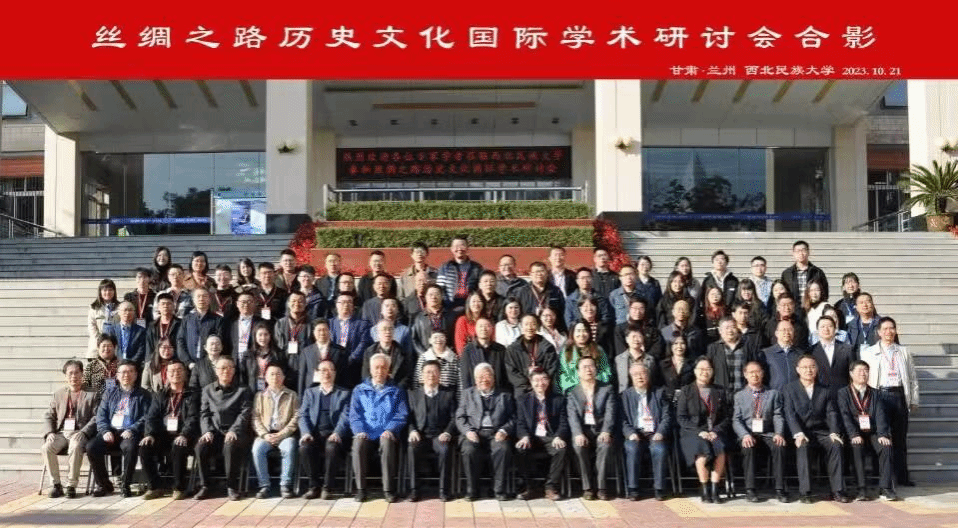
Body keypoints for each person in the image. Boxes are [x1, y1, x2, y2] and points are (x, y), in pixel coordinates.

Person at [784, 354, 850, 503]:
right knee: (803, 446)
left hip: (821, 431)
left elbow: (831, 412)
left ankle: (838, 490)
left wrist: (834, 431)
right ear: (798, 369)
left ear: (817, 369)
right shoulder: (789, 389)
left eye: (812, 367)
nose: (809, 370)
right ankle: (805, 492)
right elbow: (789, 414)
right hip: (802, 432)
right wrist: (798, 433)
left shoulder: (825, 390)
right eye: (805, 367)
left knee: (836, 444)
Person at [861, 316, 918, 487]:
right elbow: (864, 377)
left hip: (899, 395)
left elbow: (912, 377)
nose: (889, 332)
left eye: (891, 328)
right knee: (880, 436)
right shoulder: (869, 352)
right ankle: (880, 476)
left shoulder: (903, 351)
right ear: (878, 332)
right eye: (885, 329)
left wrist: (914, 399)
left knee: (900, 439)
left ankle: (902, 477)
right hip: (879, 395)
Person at [87, 360, 152, 497]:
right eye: (123, 372)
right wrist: (105, 431)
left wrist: (132, 429)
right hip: (111, 431)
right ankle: (103, 484)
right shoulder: (109, 393)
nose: (126, 375)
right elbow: (101, 415)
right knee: (92, 447)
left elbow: (146, 417)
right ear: (117, 375)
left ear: (136, 375)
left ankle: (125, 484)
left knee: (130, 447)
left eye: (130, 372)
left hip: (130, 432)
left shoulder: (144, 394)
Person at [349, 353, 408, 502]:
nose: (380, 371)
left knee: (387, 442)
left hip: (386, 433)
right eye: (376, 368)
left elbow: (401, 414)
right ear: (370, 369)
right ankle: (361, 489)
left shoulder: (396, 390)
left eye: (383, 368)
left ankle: (388, 490)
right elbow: (355, 415)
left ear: (389, 370)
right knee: (358, 443)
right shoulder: (359, 390)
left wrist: (390, 429)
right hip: (366, 433)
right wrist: (359, 430)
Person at [837, 360, 898, 501]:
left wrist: (883, 434)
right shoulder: (843, 393)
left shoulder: (875, 393)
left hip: (873, 432)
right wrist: (853, 434)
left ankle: (885, 488)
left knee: (886, 446)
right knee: (857, 446)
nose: (863, 374)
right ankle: (861, 489)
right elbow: (845, 416)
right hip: (854, 433)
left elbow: (881, 414)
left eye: (865, 370)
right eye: (859, 370)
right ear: (851, 374)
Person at [139, 360, 198, 500]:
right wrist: (150, 434)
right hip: (163, 434)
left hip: (185, 434)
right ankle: (155, 486)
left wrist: (184, 434)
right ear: (166, 374)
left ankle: (179, 487)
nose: (175, 373)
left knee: (179, 446)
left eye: (179, 370)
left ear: (185, 373)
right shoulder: (160, 395)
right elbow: (151, 417)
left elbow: (193, 418)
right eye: (172, 371)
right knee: (145, 447)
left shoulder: (193, 394)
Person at [195, 356, 253, 501]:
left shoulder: (243, 390)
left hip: (236, 433)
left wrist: (234, 430)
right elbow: (204, 413)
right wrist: (207, 431)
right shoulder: (207, 390)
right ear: (216, 371)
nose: (226, 371)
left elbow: (245, 413)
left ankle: (231, 487)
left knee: (230, 445)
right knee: (201, 446)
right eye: (222, 368)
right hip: (215, 432)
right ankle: (205, 486)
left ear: (234, 370)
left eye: (229, 368)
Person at [456, 362, 515, 501]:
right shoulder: (467, 394)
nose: (484, 379)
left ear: (493, 378)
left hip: (496, 433)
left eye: (487, 376)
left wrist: (504, 430)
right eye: (480, 377)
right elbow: (459, 417)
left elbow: (513, 417)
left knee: (503, 449)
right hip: (474, 433)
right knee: (468, 450)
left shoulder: (505, 394)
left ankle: (498, 490)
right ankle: (472, 490)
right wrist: (468, 431)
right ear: (475, 379)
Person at [42, 360, 99, 498]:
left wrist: (84, 432)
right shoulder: (59, 394)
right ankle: (56, 485)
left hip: (80, 432)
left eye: (77, 373)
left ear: (82, 374)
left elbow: (97, 416)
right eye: (70, 373)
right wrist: (50, 432)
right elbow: (49, 415)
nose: (74, 376)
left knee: (75, 445)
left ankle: (71, 485)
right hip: (62, 433)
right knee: (46, 447)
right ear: (66, 376)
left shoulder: (92, 393)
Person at [732, 361, 787, 503]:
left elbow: (778, 415)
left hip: (767, 432)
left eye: (758, 372)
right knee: (748, 447)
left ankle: (780, 489)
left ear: (763, 374)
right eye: (751, 372)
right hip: (748, 433)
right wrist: (744, 435)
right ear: (745, 375)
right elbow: (736, 420)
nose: (755, 375)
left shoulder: (773, 394)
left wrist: (779, 433)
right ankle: (750, 490)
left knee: (779, 446)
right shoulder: (739, 396)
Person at [676, 357, 729, 504]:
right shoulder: (686, 391)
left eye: (708, 369)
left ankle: (715, 488)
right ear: (695, 371)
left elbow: (726, 417)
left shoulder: (719, 391)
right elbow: (681, 417)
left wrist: (716, 430)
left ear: (712, 372)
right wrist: (699, 431)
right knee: (701, 449)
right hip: (693, 431)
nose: (704, 372)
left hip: (715, 430)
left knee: (720, 447)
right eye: (701, 369)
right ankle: (704, 488)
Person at [298, 359, 352, 500]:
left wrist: (337, 432)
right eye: (323, 370)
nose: (326, 373)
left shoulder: (344, 393)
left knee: (332, 447)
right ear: (316, 373)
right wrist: (306, 433)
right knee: (305, 447)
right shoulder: (310, 393)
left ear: (335, 373)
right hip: (315, 434)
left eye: (330, 370)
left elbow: (346, 416)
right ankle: (314, 486)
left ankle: (328, 487)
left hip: (334, 434)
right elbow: (303, 415)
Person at [406, 360, 458, 502]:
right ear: (422, 376)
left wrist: (447, 432)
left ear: (440, 375)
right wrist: (412, 430)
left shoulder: (448, 393)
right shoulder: (413, 394)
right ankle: (414, 490)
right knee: (412, 449)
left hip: (439, 435)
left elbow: (454, 417)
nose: (431, 375)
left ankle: (444, 491)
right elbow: (408, 417)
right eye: (428, 372)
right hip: (420, 435)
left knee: (445, 450)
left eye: (435, 372)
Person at [567, 356, 616, 500]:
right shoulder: (572, 392)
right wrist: (578, 433)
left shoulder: (607, 389)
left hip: (601, 430)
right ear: (578, 372)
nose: (588, 370)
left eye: (591, 366)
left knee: (605, 446)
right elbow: (572, 416)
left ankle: (602, 487)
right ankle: (587, 487)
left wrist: (606, 431)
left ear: (596, 369)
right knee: (578, 447)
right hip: (583, 431)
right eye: (584, 367)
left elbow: (610, 413)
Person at [515, 369, 568, 501]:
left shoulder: (558, 399)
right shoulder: (522, 400)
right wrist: (524, 436)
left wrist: (558, 436)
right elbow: (520, 422)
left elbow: (563, 422)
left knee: (560, 449)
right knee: (520, 449)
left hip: (550, 436)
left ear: (549, 381)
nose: (540, 383)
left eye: (544, 379)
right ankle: (529, 487)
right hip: (531, 436)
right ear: (531, 382)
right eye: (536, 380)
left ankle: (550, 487)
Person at [621, 363, 671, 501]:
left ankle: (659, 488)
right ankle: (633, 488)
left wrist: (660, 432)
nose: (640, 377)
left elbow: (667, 416)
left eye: (642, 373)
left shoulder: (659, 393)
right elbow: (622, 419)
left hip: (654, 433)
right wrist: (630, 433)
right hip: (635, 433)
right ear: (631, 377)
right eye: (636, 374)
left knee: (660, 450)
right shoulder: (625, 395)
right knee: (632, 448)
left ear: (648, 376)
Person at [251, 363, 300, 499]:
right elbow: (255, 418)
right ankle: (264, 485)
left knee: (289, 447)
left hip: (285, 434)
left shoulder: (292, 395)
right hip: (266, 434)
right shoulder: (260, 396)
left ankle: (285, 485)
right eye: (271, 374)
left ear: (283, 377)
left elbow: (296, 418)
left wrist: (282, 434)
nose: (275, 377)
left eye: (278, 374)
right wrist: (265, 435)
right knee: (257, 449)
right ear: (265, 378)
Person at [505, 314, 560, 398]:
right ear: (521, 326)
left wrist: (539, 382)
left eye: (533, 324)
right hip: (523, 388)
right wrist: (529, 384)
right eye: (526, 324)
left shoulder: (547, 347)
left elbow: (551, 368)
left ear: (537, 326)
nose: (529, 327)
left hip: (543, 386)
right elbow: (511, 371)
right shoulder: (512, 349)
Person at [328, 292, 372, 388]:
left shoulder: (362, 324)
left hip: (354, 365)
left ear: (353, 306)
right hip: (333, 364)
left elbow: (363, 343)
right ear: (336, 305)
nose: (346, 305)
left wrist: (351, 358)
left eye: (349, 302)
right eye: (342, 302)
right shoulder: (329, 323)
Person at [706, 317, 758, 397]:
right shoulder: (713, 348)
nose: (730, 331)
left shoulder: (747, 347)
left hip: (744, 394)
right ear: (720, 331)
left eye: (733, 327)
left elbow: (755, 368)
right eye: (726, 328)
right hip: (721, 395)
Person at [176, 288, 224, 369]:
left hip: (210, 365)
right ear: (193, 300)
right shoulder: (187, 319)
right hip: (189, 365)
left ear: (209, 299)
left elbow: (220, 342)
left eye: (204, 296)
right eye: (198, 296)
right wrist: (188, 362)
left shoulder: (217, 320)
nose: (201, 299)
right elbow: (180, 340)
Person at [461, 317, 511, 394]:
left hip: (498, 393)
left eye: (487, 326)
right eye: (480, 326)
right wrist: (468, 395)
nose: (483, 329)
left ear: (492, 329)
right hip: (476, 394)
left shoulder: (501, 349)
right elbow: (465, 375)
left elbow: (505, 374)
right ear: (475, 329)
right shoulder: (468, 350)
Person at [560, 321, 613, 393]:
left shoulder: (597, 349)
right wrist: (578, 386)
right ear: (572, 333)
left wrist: (595, 382)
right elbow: (563, 374)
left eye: (584, 331)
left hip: (597, 389)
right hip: (574, 390)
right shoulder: (566, 351)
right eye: (578, 331)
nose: (581, 334)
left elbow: (606, 370)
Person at [298, 320, 349, 394]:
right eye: (319, 330)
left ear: (330, 331)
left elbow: (345, 375)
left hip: (334, 391)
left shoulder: (340, 350)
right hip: (312, 391)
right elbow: (302, 375)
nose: (322, 333)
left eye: (325, 330)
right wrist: (301, 396)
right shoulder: (306, 351)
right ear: (314, 332)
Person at [361, 320, 413, 390]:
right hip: (374, 389)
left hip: (396, 389)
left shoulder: (402, 352)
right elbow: (365, 375)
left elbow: (406, 376)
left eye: (390, 329)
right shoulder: (369, 352)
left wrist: (396, 389)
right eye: (384, 329)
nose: (388, 332)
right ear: (378, 333)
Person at [810, 315, 857, 393]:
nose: (826, 329)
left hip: (843, 394)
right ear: (817, 330)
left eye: (830, 326)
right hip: (819, 395)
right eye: (822, 326)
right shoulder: (811, 351)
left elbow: (854, 374)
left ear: (835, 329)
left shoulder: (848, 349)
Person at [275, 291, 314, 382]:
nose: (296, 304)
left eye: (300, 301)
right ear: (288, 303)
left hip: (305, 367)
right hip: (284, 366)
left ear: (305, 304)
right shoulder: (280, 323)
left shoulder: (311, 324)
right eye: (293, 301)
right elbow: (277, 347)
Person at [436, 235, 483, 309]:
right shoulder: (445, 267)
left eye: (462, 245)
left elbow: (480, 288)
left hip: (470, 305)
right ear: (451, 249)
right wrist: (446, 303)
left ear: (467, 248)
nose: (459, 249)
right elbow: (440, 288)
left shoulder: (476, 267)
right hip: (449, 305)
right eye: (456, 246)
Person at [241, 322, 288, 394]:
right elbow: (243, 375)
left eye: (266, 334)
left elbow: (284, 372)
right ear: (255, 336)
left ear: (270, 335)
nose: (263, 338)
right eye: (260, 335)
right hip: (252, 390)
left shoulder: (278, 354)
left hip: (273, 390)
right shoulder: (248, 355)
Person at [411, 284, 457, 356]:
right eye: (430, 294)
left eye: (436, 294)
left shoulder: (451, 316)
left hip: (447, 356)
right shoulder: (418, 318)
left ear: (442, 297)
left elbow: (455, 338)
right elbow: (414, 340)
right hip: (426, 357)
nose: (433, 297)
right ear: (425, 297)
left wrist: (448, 354)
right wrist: (425, 355)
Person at [761, 320, 806, 391]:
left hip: (796, 394)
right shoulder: (766, 353)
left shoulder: (800, 354)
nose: (787, 333)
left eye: (790, 330)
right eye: (783, 330)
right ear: (776, 333)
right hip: (775, 394)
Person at [615, 326, 662, 393]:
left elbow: (653, 379)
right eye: (633, 337)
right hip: (625, 394)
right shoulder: (619, 359)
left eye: (639, 336)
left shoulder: (650, 359)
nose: (636, 339)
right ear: (627, 339)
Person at [413, 331, 460, 397]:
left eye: (442, 337)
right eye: (435, 337)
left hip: (448, 397)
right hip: (426, 397)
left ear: (446, 340)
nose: (438, 340)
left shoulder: (454, 358)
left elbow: (459, 382)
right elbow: (416, 380)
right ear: (430, 340)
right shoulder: (423, 357)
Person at [104, 301, 147, 366]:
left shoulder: (141, 331)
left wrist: (130, 364)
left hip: (134, 365)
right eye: (125, 310)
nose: (127, 313)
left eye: (130, 310)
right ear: (119, 312)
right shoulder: (112, 329)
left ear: (134, 313)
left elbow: (141, 350)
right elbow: (109, 348)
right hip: (115, 364)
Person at [146, 293, 181, 366]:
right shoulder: (152, 325)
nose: (165, 306)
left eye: (169, 304)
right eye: (163, 304)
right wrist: (149, 363)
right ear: (158, 307)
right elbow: (149, 347)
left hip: (175, 362)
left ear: (174, 306)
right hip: (156, 362)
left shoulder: (180, 324)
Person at [88, 279, 119, 358]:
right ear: (100, 292)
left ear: (114, 291)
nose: (107, 292)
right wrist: (101, 344)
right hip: (97, 347)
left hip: (115, 348)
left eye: (110, 290)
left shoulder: (120, 307)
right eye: (104, 290)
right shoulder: (94, 308)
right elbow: (92, 327)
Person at [229, 292, 262, 363]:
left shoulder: (261, 322)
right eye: (243, 302)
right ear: (237, 304)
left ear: (254, 304)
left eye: (249, 302)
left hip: (254, 361)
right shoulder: (230, 323)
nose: (246, 305)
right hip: (234, 360)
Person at [660, 335, 695, 402]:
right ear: (671, 346)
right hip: (667, 401)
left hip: (687, 400)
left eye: (682, 343)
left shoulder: (692, 364)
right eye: (675, 343)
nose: (679, 346)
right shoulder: (663, 364)